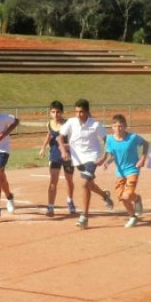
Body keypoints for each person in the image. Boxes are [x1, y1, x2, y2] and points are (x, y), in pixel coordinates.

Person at [57, 99, 114, 230]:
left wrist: (104, 157)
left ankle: (84, 217)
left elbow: (107, 141)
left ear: (87, 111)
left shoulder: (96, 125)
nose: (78, 114)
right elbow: (59, 137)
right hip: (77, 158)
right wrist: (62, 149)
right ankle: (105, 195)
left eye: (81, 111)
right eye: (76, 111)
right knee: (89, 184)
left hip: (92, 158)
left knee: (83, 184)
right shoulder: (71, 122)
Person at [103, 114, 149, 228]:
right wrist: (107, 162)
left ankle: (134, 207)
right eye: (115, 126)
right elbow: (113, 155)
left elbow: (146, 143)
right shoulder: (109, 139)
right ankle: (134, 212)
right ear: (112, 127)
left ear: (125, 126)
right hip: (120, 173)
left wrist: (143, 158)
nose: (118, 129)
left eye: (121, 126)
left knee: (127, 195)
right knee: (121, 196)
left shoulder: (132, 137)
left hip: (133, 169)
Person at [38, 100, 76, 217]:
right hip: (54, 154)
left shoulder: (68, 124)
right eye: (53, 112)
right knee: (53, 180)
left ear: (62, 112)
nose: (56, 115)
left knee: (69, 180)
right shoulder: (49, 124)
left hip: (67, 155)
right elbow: (49, 135)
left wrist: (68, 146)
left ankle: (70, 200)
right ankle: (50, 207)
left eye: (58, 112)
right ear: (50, 113)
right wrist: (43, 147)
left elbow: (74, 139)